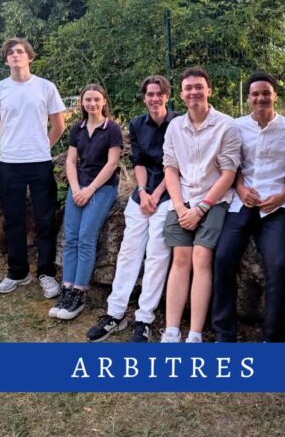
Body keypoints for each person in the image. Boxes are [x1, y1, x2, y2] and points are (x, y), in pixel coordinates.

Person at [212, 71, 285, 343]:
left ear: (275, 95)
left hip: (278, 206)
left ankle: (271, 338)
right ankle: (224, 333)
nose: (260, 98)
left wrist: (282, 195)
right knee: (223, 258)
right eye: (255, 94)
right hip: (243, 202)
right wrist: (240, 188)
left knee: (278, 264)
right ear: (248, 98)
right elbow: (232, 164)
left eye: (266, 93)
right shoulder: (236, 126)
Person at [86, 75, 178, 343]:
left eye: (159, 93)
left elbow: (176, 164)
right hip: (143, 193)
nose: (154, 98)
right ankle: (115, 313)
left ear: (167, 96)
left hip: (169, 193)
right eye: (150, 94)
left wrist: (156, 194)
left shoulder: (179, 123)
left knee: (157, 253)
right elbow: (138, 161)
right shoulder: (137, 124)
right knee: (129, 251)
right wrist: (143, 191)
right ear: (144, 97)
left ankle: (144, 318)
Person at [161, 66, 241, 343]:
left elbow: (229, 174)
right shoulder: (174, 126)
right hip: (182, 199)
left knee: (202, 257)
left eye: (199, 87)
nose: (194, 92)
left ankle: (195, 334)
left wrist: (201, 208)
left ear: (209, 90)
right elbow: (170, 169)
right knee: (180, 258)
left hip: (215, 200)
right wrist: (180, 207)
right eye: (188, 88)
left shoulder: (226, 125)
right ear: (181, 94)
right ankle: (171, 331)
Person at [0, 38, 66, 297]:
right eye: (10, 52)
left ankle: (46, 273)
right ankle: (18, 272)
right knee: (13, 220)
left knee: (45, 219)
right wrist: (14, 145)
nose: (15, 55)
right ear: (6, 59)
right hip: (10, 164)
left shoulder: (45, 87)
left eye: (20, 51)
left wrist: (42, 147)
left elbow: (59, 125)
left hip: (40, 163)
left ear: (30, 57)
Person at [49, 83, 123, 320]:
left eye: (96, 99)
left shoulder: (112, 129)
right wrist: (75, 189)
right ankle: (67, 288)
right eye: (88, 99)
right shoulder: (77, 128)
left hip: (102, 188)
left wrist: (89, 190)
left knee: (85, 238)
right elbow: (71, 161)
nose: (92, 103)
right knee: (71, 239)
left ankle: (79, 292)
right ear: (82, 102)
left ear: (104, 102)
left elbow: (112, 164)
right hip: (78, 187)